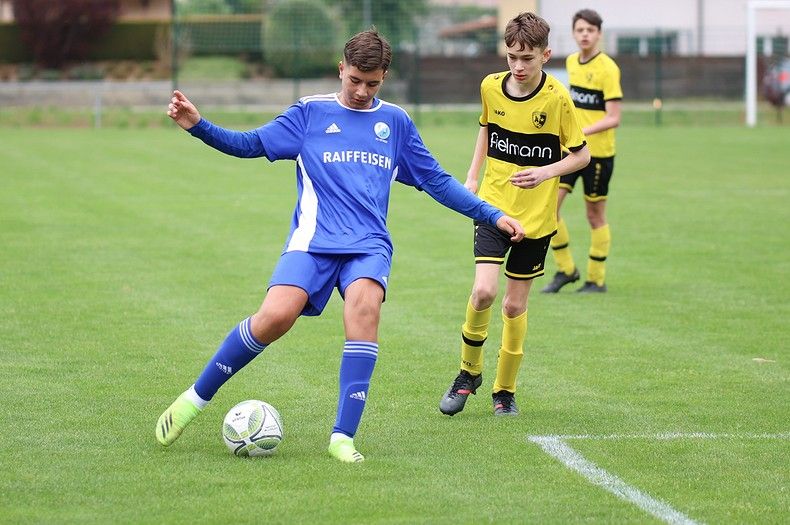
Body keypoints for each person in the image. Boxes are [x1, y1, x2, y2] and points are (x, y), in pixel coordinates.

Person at [155, 29, 525, 463]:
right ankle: (194, 399)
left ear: (384, 77)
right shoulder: (309, 113)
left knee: (365, 310)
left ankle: (342, 437)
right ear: (341, 69)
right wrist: (198, 126)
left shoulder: (396, 124)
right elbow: (250, 144)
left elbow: (437, 182)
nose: (362, 91)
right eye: (354, 80)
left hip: (367, 245)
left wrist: (490, 214)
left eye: (372, 83)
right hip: (312, 241)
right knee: (274, 317)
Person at [439, 12, 589, 417]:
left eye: (527, 58)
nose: (518, 67)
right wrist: (472, 175)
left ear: (546, 55)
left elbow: (581, 155)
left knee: (512, 307)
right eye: (512, 58)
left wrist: (546, 171)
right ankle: (468, 372)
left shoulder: (557, 99)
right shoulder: (491, 86)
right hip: (492, 207)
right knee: (484, 292)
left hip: (537, 221)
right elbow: (486, 128)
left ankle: (504, 391)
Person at [542, 8, 622, 294]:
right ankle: (566, 270)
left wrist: (582, 132)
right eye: (580, 30)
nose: (585, 35)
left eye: (590, 30)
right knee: (550, 209)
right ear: (574, 34)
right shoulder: (573, 62)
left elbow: (613, 116)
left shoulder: (608, 68)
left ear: (599, 34)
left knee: (594, 215)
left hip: (598, 154)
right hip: (571, 153)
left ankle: (595, 279)